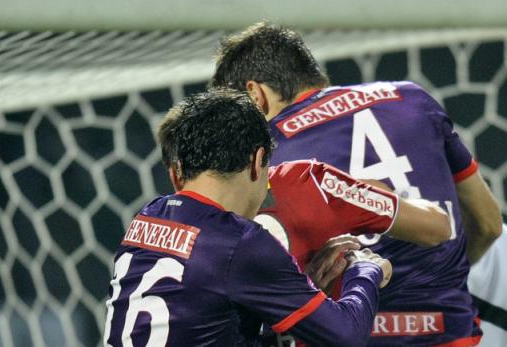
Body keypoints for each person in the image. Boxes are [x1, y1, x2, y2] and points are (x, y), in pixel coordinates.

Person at [211, 22, 503, 346]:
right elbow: (489, 224)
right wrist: (444, 280)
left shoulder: (267, 153)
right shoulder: (413, 97)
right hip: (448, 331)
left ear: (256, 95)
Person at [103, 89, 392, 347]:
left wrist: (300, 290)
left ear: (179, 170)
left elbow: (200, 316)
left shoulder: (147, 217)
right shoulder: (240, 242)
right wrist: (365, 270)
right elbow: (346, 335)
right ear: (257, 162)